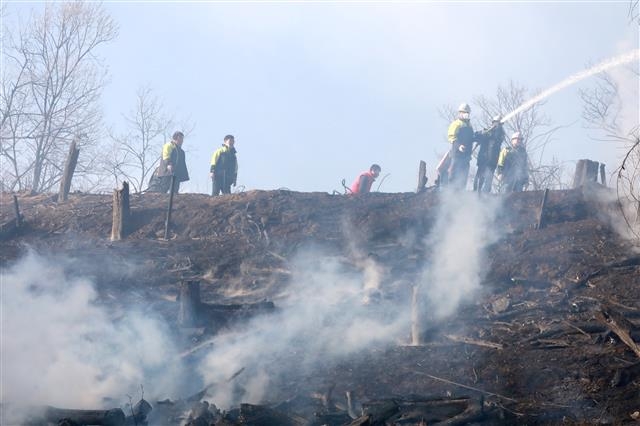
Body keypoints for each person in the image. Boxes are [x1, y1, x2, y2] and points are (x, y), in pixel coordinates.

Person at [445, 103, 475, 190]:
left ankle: (461, 193)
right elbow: (451, 137)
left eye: (467, 112)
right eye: (463, 112)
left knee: (464, 176)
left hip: (466, 156)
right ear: (459, 113)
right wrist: (459, 146)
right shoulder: (456, 124)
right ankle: (450, 192)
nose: (465, 114)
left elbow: (471, 138)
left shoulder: (469, 125)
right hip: (457, 155)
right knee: (454, 174)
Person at [473, 114, 505, 193]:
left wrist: (497, 128)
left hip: (492, 161)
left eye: (499, 123)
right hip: (483, 159)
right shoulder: (486, 131)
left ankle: (485, 195)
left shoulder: (500, 133)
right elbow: (474, 137)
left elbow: (498, 137)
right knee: (479, 177)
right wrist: (481, 133)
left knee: (488, 179)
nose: (497, 125)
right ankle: (475, 193)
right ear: (492, 122)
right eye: (496, 123)